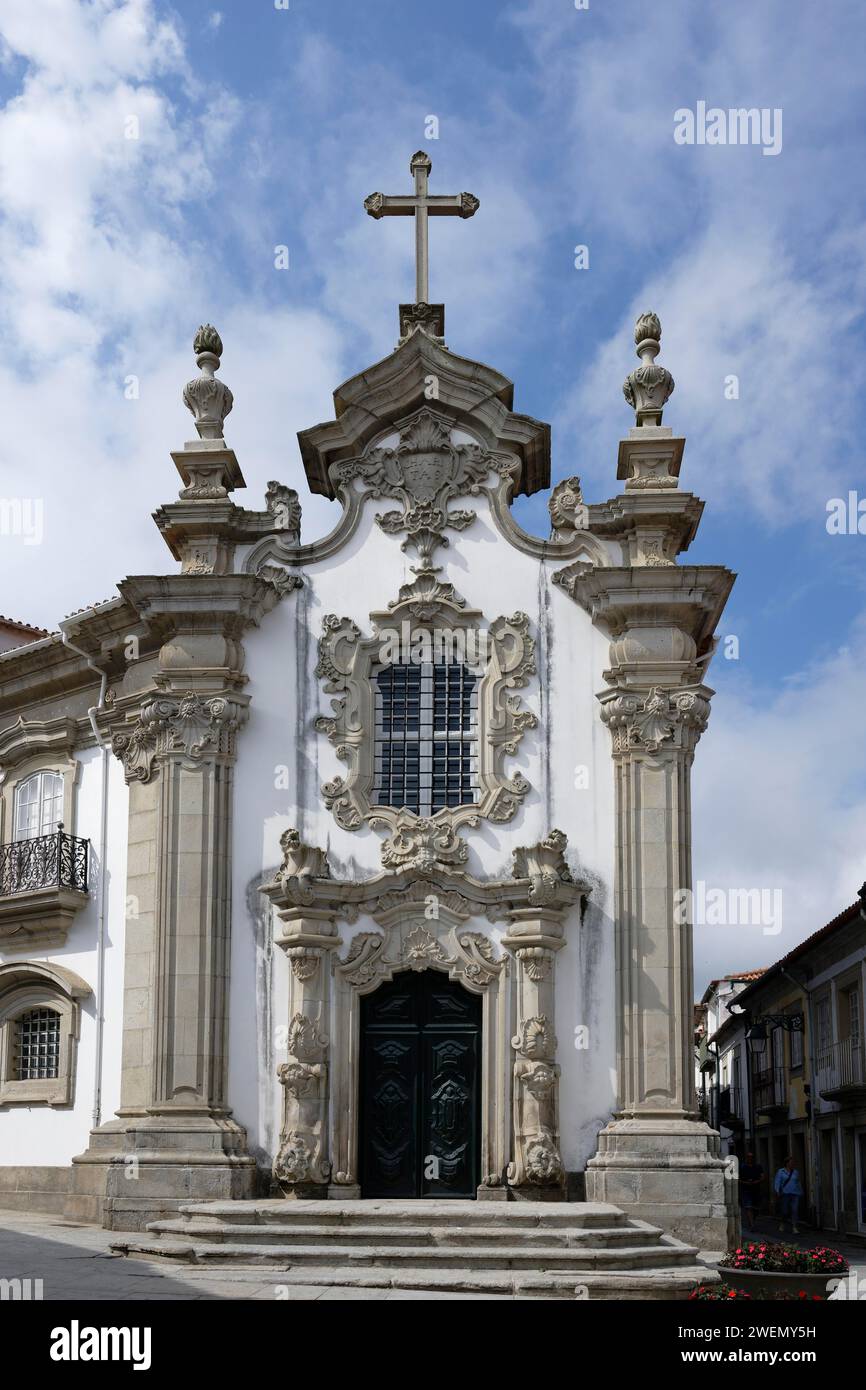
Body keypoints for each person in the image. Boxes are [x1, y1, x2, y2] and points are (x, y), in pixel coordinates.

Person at [774, 1155, 804, 1234]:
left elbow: (798, 1182)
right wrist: (777, 1191)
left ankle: (794, 1227)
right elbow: (777, 1181)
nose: (792, 1164)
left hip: (795, 1193)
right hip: (785, 1193)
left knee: (795, 1210)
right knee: (785, 1211)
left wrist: (801, 1191)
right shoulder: (781, 1171)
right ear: (787, 1163)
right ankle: (782, 1223)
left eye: (793, 1163)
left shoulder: (795, 1172)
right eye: (791, 1162)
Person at [739, 1151, 764, 1232]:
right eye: (748, 1157)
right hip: (746, 1190)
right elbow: (737, 1178)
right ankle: (752, 1225)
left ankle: (752, 1220)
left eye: (751, 1157)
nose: (750, 1158)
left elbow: (763, 1176)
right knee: (748, 1207)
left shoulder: (758, 1167)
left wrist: (757, 1181)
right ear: (746, 1158)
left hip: (756, 1189)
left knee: (756, 1209)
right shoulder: (742, 1167)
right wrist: (745, 1182)